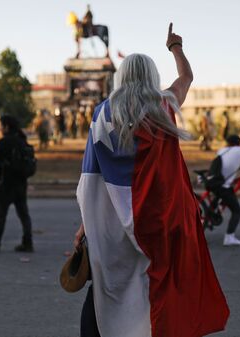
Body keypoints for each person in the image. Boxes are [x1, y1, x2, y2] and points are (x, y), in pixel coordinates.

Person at [73, 23, 229, 337]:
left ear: (122, 77)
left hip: (114, 224)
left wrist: (85, 226)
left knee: (107, 290)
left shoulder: (102, 114)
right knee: (151, 289)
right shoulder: (164, 107)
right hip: (156, 223)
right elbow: (186, 78)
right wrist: (176, 47)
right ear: (150, 77)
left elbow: (92, 181)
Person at [0, 115, 34, 253]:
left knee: (0, 214)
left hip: (7, 183)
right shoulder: (22, 140)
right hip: (21, 184)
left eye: (0, 125)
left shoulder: (4, 142)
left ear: (6, 127)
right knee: (24, 215)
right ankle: (27, 243)